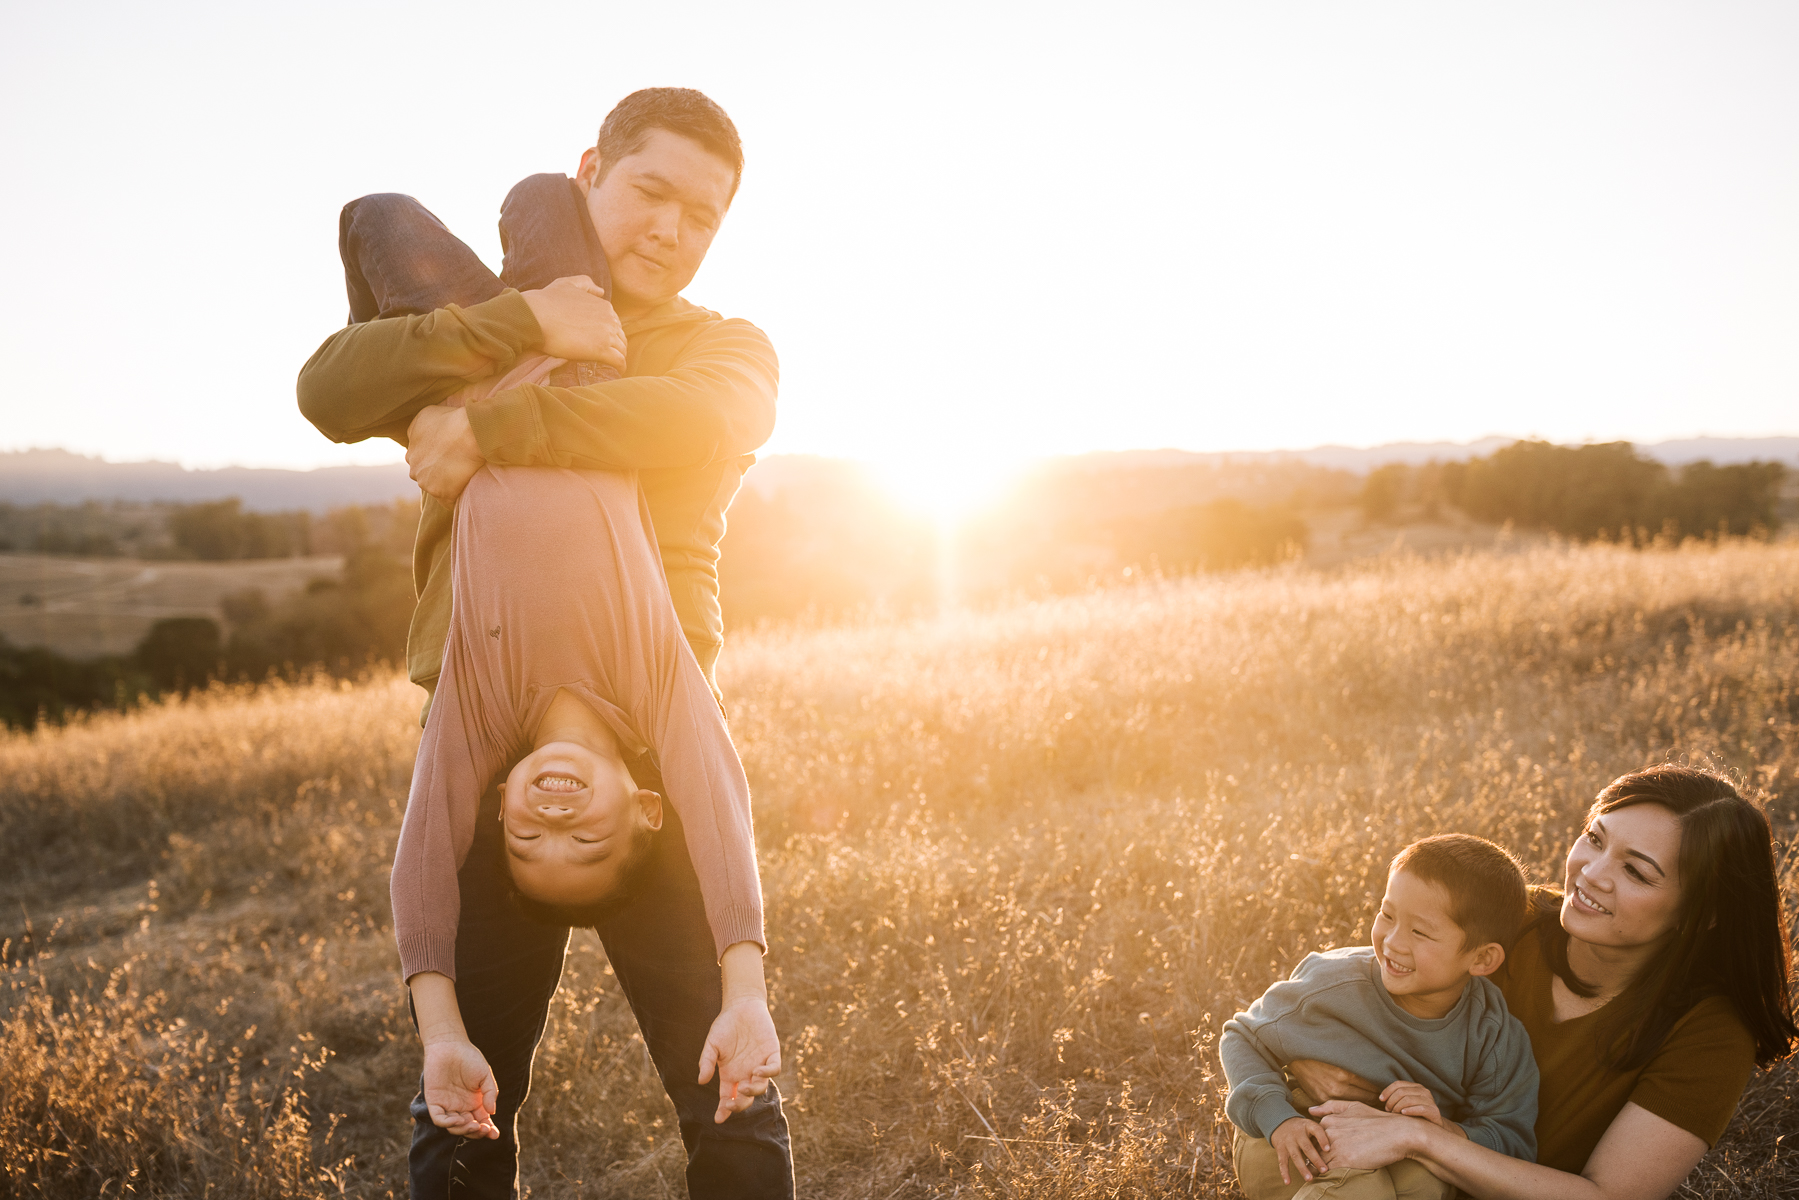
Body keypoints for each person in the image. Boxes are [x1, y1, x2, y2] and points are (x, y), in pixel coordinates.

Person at [296, 87, 794, 1198]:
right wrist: (526, 326)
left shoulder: (723, 347)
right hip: (480, 745)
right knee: (460, 1102)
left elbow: (698, 421)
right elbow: (328, 389)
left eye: (702, 217)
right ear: (591, 170)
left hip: (648, 748)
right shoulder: (480, 332)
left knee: (728, 1086)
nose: (671, 229)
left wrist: (480, 425)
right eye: (651, 191)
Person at [1289, 765, 1799, 1200]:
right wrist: (1306, 1056)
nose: (1592, 873)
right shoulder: (1512, 917)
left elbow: (1606, 1195)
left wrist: (1421, 1140)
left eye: (1637, 873)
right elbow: (1356, 985)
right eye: (1595, 839)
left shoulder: (1711, 1033)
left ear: (1701, 913)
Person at [1222, 834, 1538, 1200]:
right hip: (1291, 1137)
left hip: (1392, 1157)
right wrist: (1278, 1117)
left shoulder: (1493, 1035)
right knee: (1361, 1189)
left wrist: (1442, 1129)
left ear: (1481, 959)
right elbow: (1241, 1036)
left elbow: (1511, 1143)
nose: (1392, 942)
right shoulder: (1331, 982)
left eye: (1420, 932)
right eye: (1387, 915)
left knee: (1428, 1184)